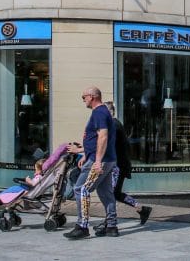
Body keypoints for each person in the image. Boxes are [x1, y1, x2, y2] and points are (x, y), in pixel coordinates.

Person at [64, 86, 118, 239]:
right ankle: (112, 226)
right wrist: (85, 155)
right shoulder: (103, 112)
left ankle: (82, 226)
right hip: (106, 159)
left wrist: (97, 161)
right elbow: (94, 140)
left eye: (84, 97)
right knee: (105, 192)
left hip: (99, 160)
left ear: (92, 96)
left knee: (81, 189)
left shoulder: (99, 112)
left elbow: (103, 137)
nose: (83, 100)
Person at [93, 101, 152, 235]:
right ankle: (142, 209)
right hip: (119, 165)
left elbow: (106, 146)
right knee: (115, 193)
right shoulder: (114, 124)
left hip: (118, 166)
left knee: (110, 194)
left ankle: (109, 224)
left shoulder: (113, 125)